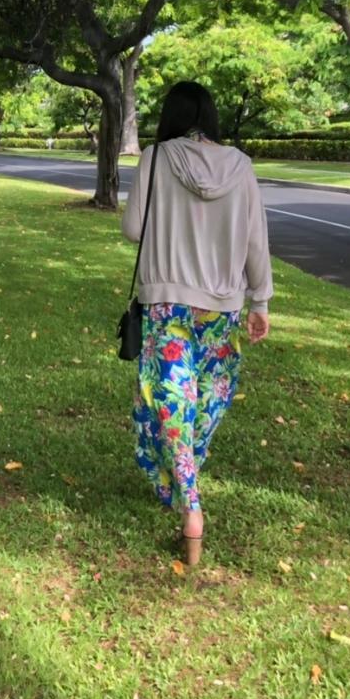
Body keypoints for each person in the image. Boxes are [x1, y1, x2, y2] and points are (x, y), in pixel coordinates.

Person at [121, 80, 272, 565]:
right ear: (210, 116)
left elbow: (132, 230)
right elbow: (255, 239)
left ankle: (189, 504)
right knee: (206, 399)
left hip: (167, 302)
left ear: (171, 116)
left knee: (169, 400)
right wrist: (260, 301)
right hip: (222, 306)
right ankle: (185, 481)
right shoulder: (241, 165)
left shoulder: (155, 158)